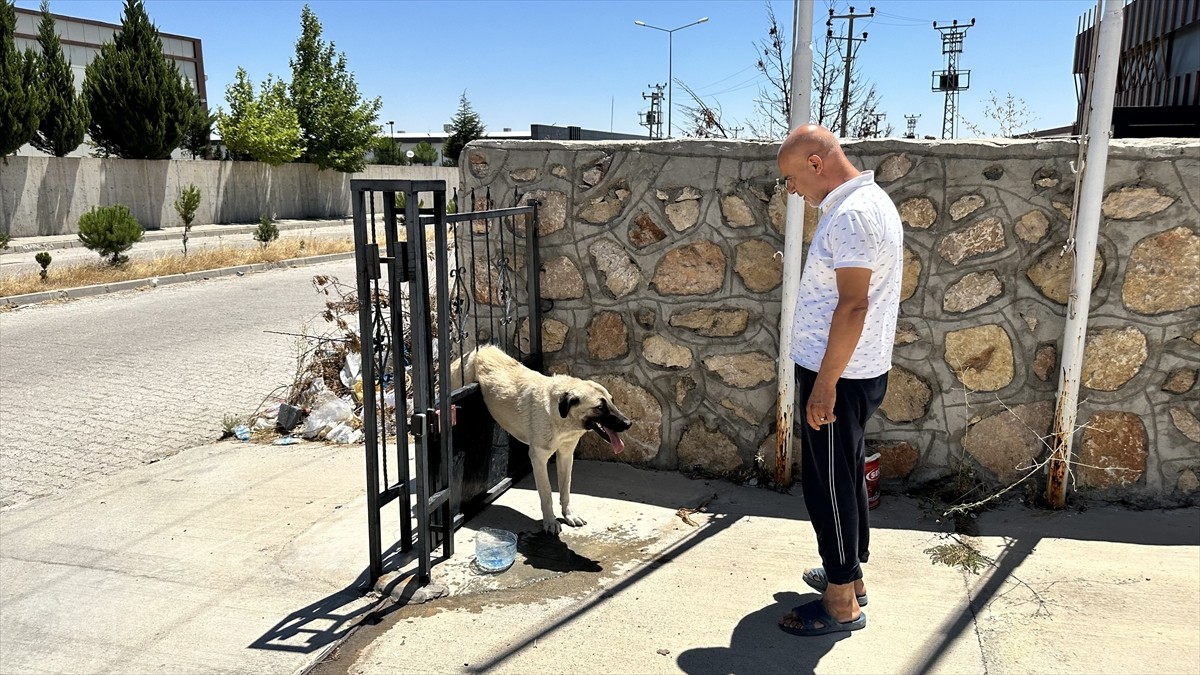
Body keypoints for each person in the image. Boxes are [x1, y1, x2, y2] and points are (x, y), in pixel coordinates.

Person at [775, 124, 904, 637]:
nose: (791, 191)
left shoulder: (851, 215)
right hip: (855, 369)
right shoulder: (869, 202)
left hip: (840, 374)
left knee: (826, 484)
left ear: (814, 163)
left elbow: (853, 303)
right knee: (844, 473)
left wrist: (825, 384)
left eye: (790, 177)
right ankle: (850, 575)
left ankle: (840, 603)